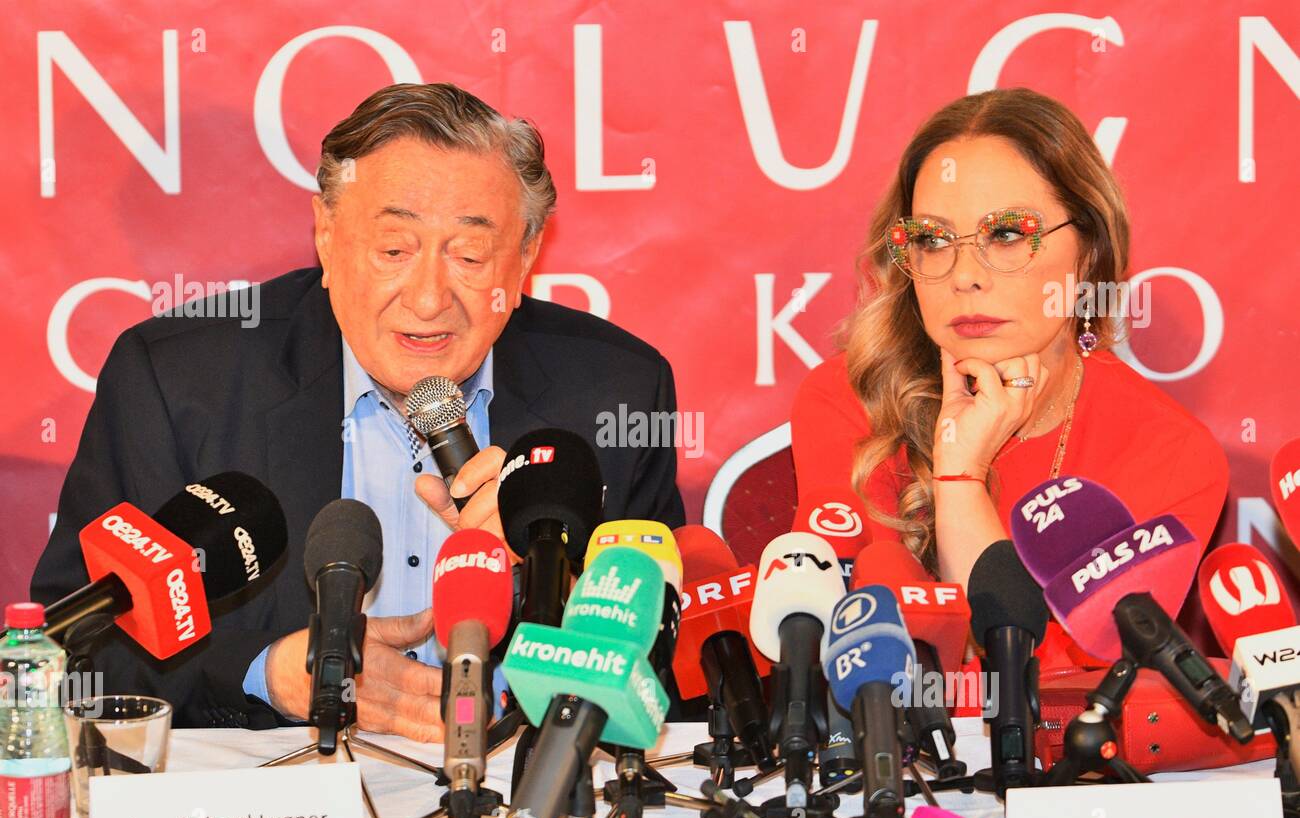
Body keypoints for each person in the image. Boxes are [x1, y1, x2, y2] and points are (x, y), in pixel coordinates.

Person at [31, 83, 686, 738]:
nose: (429, 299)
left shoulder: (616, 393)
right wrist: (267, 669)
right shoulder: (178, 384)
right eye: (395, 250)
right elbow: (70, 650)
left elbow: (673, 669)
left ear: (526, 255)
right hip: (272, 811)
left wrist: (555, 586)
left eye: (470, 254)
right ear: (326, 233)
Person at [791, 87, 1228, 672]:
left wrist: (961, 481)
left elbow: (1030, 691)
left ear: (1090, 251)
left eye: (1006, 234)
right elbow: (866, 668)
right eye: (932, 239)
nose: (966, 275)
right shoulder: (851, 398)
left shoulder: (1170, 453)